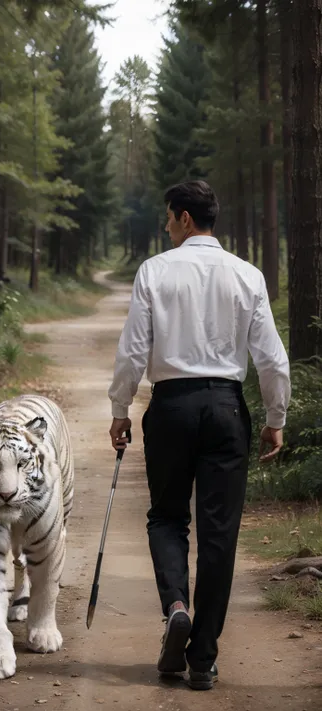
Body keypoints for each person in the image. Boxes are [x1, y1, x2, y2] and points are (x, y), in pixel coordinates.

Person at [107, 180, 290, 691]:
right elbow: (272, 358)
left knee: (166, 516)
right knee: (218, 534)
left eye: (169, 217)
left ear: (186, 218)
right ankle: (203, 659)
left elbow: (133, 350)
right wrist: (276, 416)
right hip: (227, 409)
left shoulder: (155, 272)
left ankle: (175, 607)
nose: (167, 226)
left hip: (170, 407)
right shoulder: (247, 274)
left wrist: (121, 408)